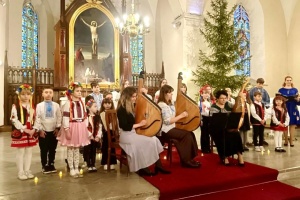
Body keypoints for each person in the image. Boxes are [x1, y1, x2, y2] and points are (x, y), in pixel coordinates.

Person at [117, 87, 170, 176]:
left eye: (135, 96)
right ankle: (143, 167)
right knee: (150, 141)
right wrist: (140, 124)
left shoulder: (131, 106)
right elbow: (125, 126)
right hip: (126, 135)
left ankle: (158, 165)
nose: (135, 98)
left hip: (133, 133)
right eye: (133, 97)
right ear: (127, 97)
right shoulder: (121, 109)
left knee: (154, 139)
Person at [158, 85, 200, 168]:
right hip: (165, 130)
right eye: (170, 93)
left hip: (172, 128)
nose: (171, 94)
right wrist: (181, 116)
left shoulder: (170, 103)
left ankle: (189, 158)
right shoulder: (162, 105)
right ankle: (186, 161)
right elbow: (167, 121)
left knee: (190, 133)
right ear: (164, 94)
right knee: (186, 135)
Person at [57, 82, 90, 177]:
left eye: (80, 91)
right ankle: (71, 167)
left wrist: (86, 127)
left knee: (77, 149)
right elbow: (65, 118)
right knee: (71, 148)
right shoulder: (68, 104)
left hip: (80, 126)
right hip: (72, 126)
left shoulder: (81, 102)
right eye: (77, 91)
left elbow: (85, 116)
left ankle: (76, 167)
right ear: (71, 92)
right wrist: (67, 130)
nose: (80, 93)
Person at [209, 90, 245, 166]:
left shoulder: (229, 104)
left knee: (236, 133)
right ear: (217, 99)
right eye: (222, 98)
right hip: (217, 129)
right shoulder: (213, 107)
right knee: (223, 136)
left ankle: (240, 155)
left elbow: (237, 106)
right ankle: (224, 156)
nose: (224, 100)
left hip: (228, 127)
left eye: (225, 98)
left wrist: (240, 98)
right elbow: (214, 122)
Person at [10, 84, 37, 180]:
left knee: (29, 151)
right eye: (23, 94)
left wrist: (34, 129)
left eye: (28, 94)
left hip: (31, 131)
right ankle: (20, 171)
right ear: (19, 95)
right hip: (21, 131)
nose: (26, 97)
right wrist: (24, 129)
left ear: (31, 95)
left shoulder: (32, 106)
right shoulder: (16, 106)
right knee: (21, 151)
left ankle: (27, 170)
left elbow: (37, 118)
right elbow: (14, 120)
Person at [33, 87, 62, 174]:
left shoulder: (56, 105)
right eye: (46, 92)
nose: (48, 94)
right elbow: (37, 118)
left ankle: (51, 163)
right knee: (44, 149)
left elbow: (59, 116)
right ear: (42, 94)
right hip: (43, 131)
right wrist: (40, 130)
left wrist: (57, 128)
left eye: (50, 92)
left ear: (52, 94)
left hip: (53, 131)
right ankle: (44, 164)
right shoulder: (39, 105)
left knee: (53, 149)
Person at [278, 76, 300, 147]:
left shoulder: (295, 90)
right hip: (284, 108)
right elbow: (278, 99)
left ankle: (291, 141)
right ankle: (286, 140)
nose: (289, 81)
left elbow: (298, 101)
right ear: (285, 81)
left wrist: (297, 99)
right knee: (285, 124)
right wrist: (284, 99)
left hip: (293, 108)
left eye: (290, 80)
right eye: (287, 80)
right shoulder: (281, 90)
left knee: (292, 125)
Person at [249, 78, 270, 146]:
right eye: (259, 83)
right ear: (257, 83)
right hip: (255, 107)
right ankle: (254, 140)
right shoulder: (252, 90)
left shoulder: (264, 91)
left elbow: (267, 99)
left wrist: (266, 105)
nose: (260, 85)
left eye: (261, 84)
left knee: (261, 127)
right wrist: (252, 103)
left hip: (262, 106)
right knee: (256, 127)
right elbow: (249, 98)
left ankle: (262, 140)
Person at [84, 99, 102, 172]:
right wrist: (89, 135)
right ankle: (88, 164)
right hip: (88, 137)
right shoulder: (86, 117)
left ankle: (93, 164)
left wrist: (98, 136)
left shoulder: (97, 117)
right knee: (88, 150)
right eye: (94, 106)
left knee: (93, 150)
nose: (96, 108)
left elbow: (100, 127)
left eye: (96, 106)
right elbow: (85, 127)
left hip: (95, 137)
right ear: (89, 107)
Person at [99, 98, 117, 170]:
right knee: (105, 147)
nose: (107, 105)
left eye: (109, 103)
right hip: (105, 133)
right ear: (103, 104)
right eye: (105, 103)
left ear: (111, 104)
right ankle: (105, 162)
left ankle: (112, 162)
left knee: (112, 148)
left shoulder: (114, 112)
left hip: (112, 132)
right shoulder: (101, 113)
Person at [199, 89, 211, 154]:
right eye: (205, 93)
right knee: (203, 133)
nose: (206, 95)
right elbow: (199, 112)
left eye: (208, 93)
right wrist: (200, 119)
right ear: (201, 94)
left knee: (208, 133)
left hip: (208, 118)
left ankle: (208, 147)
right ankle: (204, 148)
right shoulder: (200, 103)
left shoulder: (209, 102)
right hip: (203, 118)